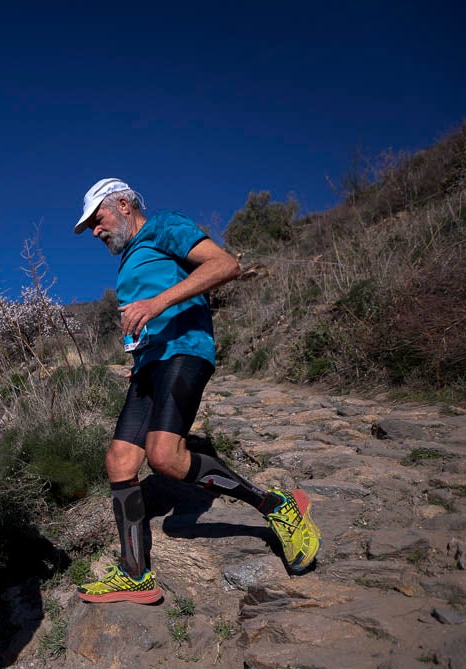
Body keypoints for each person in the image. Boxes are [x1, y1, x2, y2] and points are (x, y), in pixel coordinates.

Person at [71, 178, 321, 604]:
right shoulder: (131, 257)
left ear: (124, 205)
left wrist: (157, 303)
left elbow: (225, 265)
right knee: (119, 460)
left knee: (165, 457)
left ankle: (278, 506)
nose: (95, 230)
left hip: (185, 353)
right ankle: (134, 574)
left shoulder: (164, 226)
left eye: (98, 219)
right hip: (150, 365)